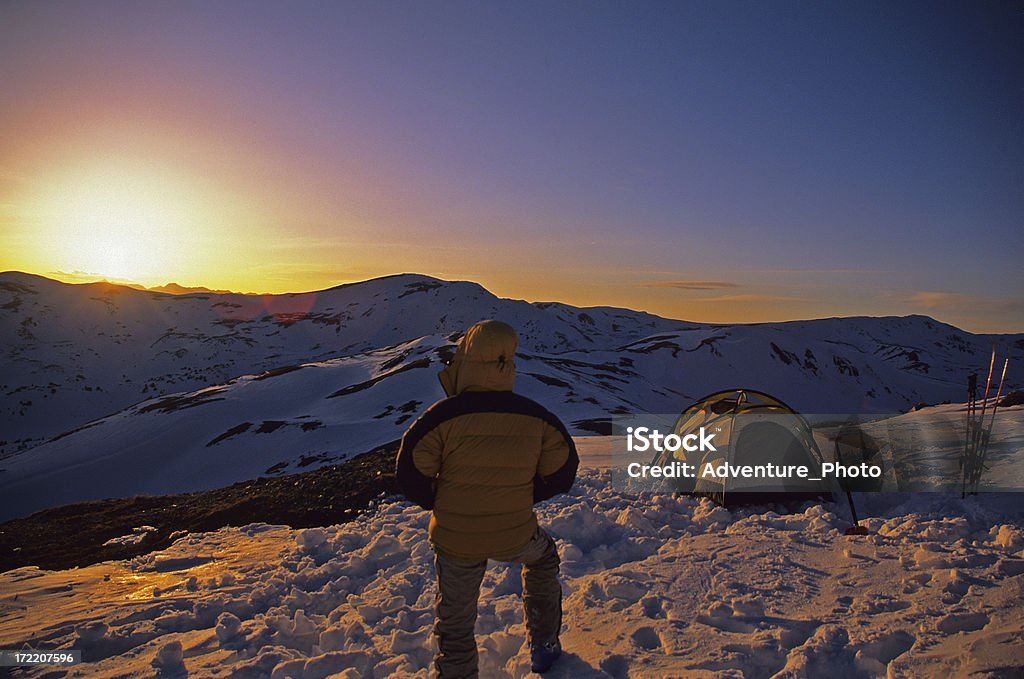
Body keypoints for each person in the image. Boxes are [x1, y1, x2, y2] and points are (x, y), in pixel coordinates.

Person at [396, 319, 579, 677]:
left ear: (464, 361)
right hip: (515, 532)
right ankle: (544, 644)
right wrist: (524, 494)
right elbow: (562, 471)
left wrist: (441, 500)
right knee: (542, 560)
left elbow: (411, 473)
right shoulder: (536, 417)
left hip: (455, 539)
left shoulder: (441, 418)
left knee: (456, 617)